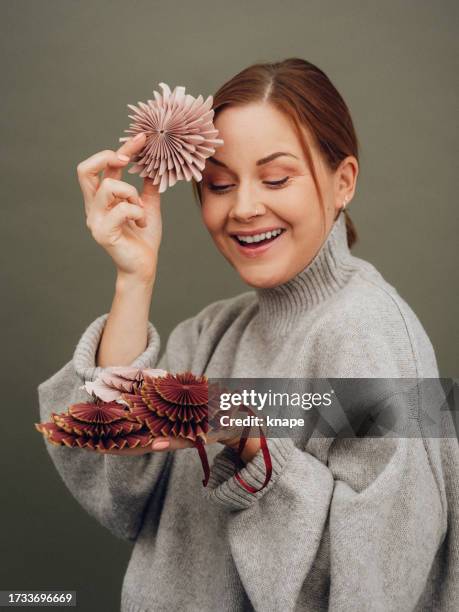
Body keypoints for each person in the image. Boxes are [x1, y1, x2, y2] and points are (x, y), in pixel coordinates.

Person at [37, 58, 458, 611]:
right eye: (219, 184)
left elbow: (380, 583)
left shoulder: (375, 338)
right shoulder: (215, 330)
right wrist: (134, 279)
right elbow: (117, 490)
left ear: (343, 181)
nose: (245, 207)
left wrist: (248, 439)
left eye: (277, 178)